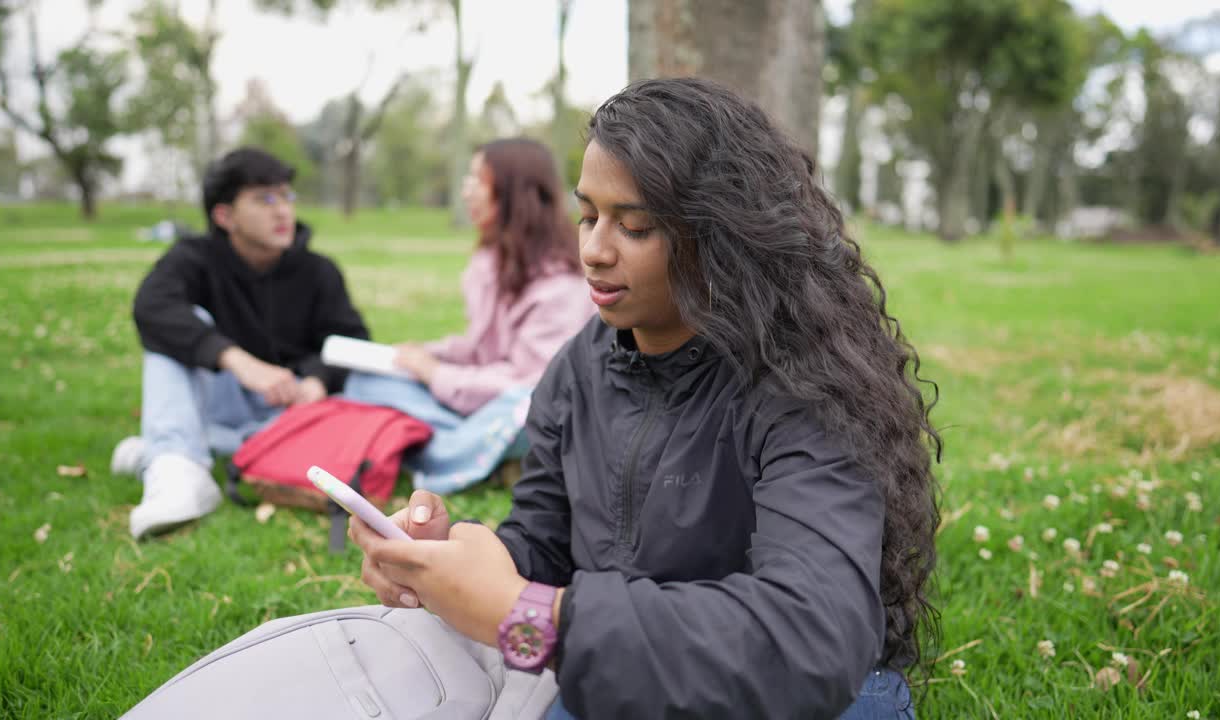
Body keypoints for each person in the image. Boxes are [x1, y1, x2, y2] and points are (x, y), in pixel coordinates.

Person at [348, 78, 941, 719]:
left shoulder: (804, 385)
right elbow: (545, 540)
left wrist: (528, 617)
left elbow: (814, 639)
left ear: (722, 236)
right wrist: (459, 562)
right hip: (627, 676)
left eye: (634, 226)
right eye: (587, 216)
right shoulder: (579, 368)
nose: (594, 251)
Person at [111, 147, 370, 539]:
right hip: (219, 397)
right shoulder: (193, 258)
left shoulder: (318, 271)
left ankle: (158, 451)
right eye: (265, 199)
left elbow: (351, 340)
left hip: (288, 412)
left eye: (287, 196)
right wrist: (235, 359)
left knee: (375, 388)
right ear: (224, 215)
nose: (283, 211)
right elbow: (151, 306)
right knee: (182, 323)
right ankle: (178, 468)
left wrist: (317, 381)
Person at [342, 138, 593, 493]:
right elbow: (483, 346)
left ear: (513, 193)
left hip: (529, 404)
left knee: (524, 411)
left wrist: (435, 373)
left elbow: (535, 383)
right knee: (364, 381)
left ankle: (448, 449)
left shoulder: (560, 282)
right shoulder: (492, 260)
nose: (466, 190)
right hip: (482, 397)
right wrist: (429, 354)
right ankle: (474, 452)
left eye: (477, 180)